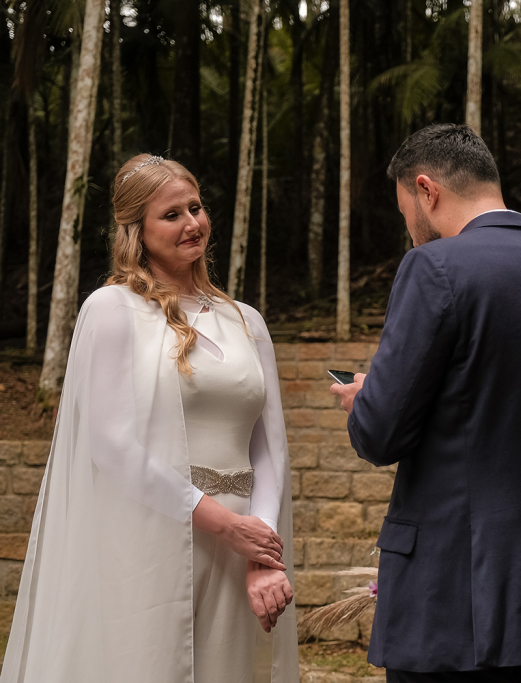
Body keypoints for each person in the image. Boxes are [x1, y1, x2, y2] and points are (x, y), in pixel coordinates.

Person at [330, 124, 521, 682]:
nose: (412, 235)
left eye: (406, 216)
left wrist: (365, 399)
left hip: (456, 599)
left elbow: (381, 434)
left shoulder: (435, 269)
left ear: (427, 191)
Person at [1, 155, 299, 683]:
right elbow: (112, 446)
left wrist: (262, 548)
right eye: (171, 215)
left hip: (239, 547)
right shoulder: (112, 310)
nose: (192, 223)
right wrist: (223, 523)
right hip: (152, 532)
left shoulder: (245, 320)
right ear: (136, 229)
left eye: (196, 207)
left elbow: (267, 446)